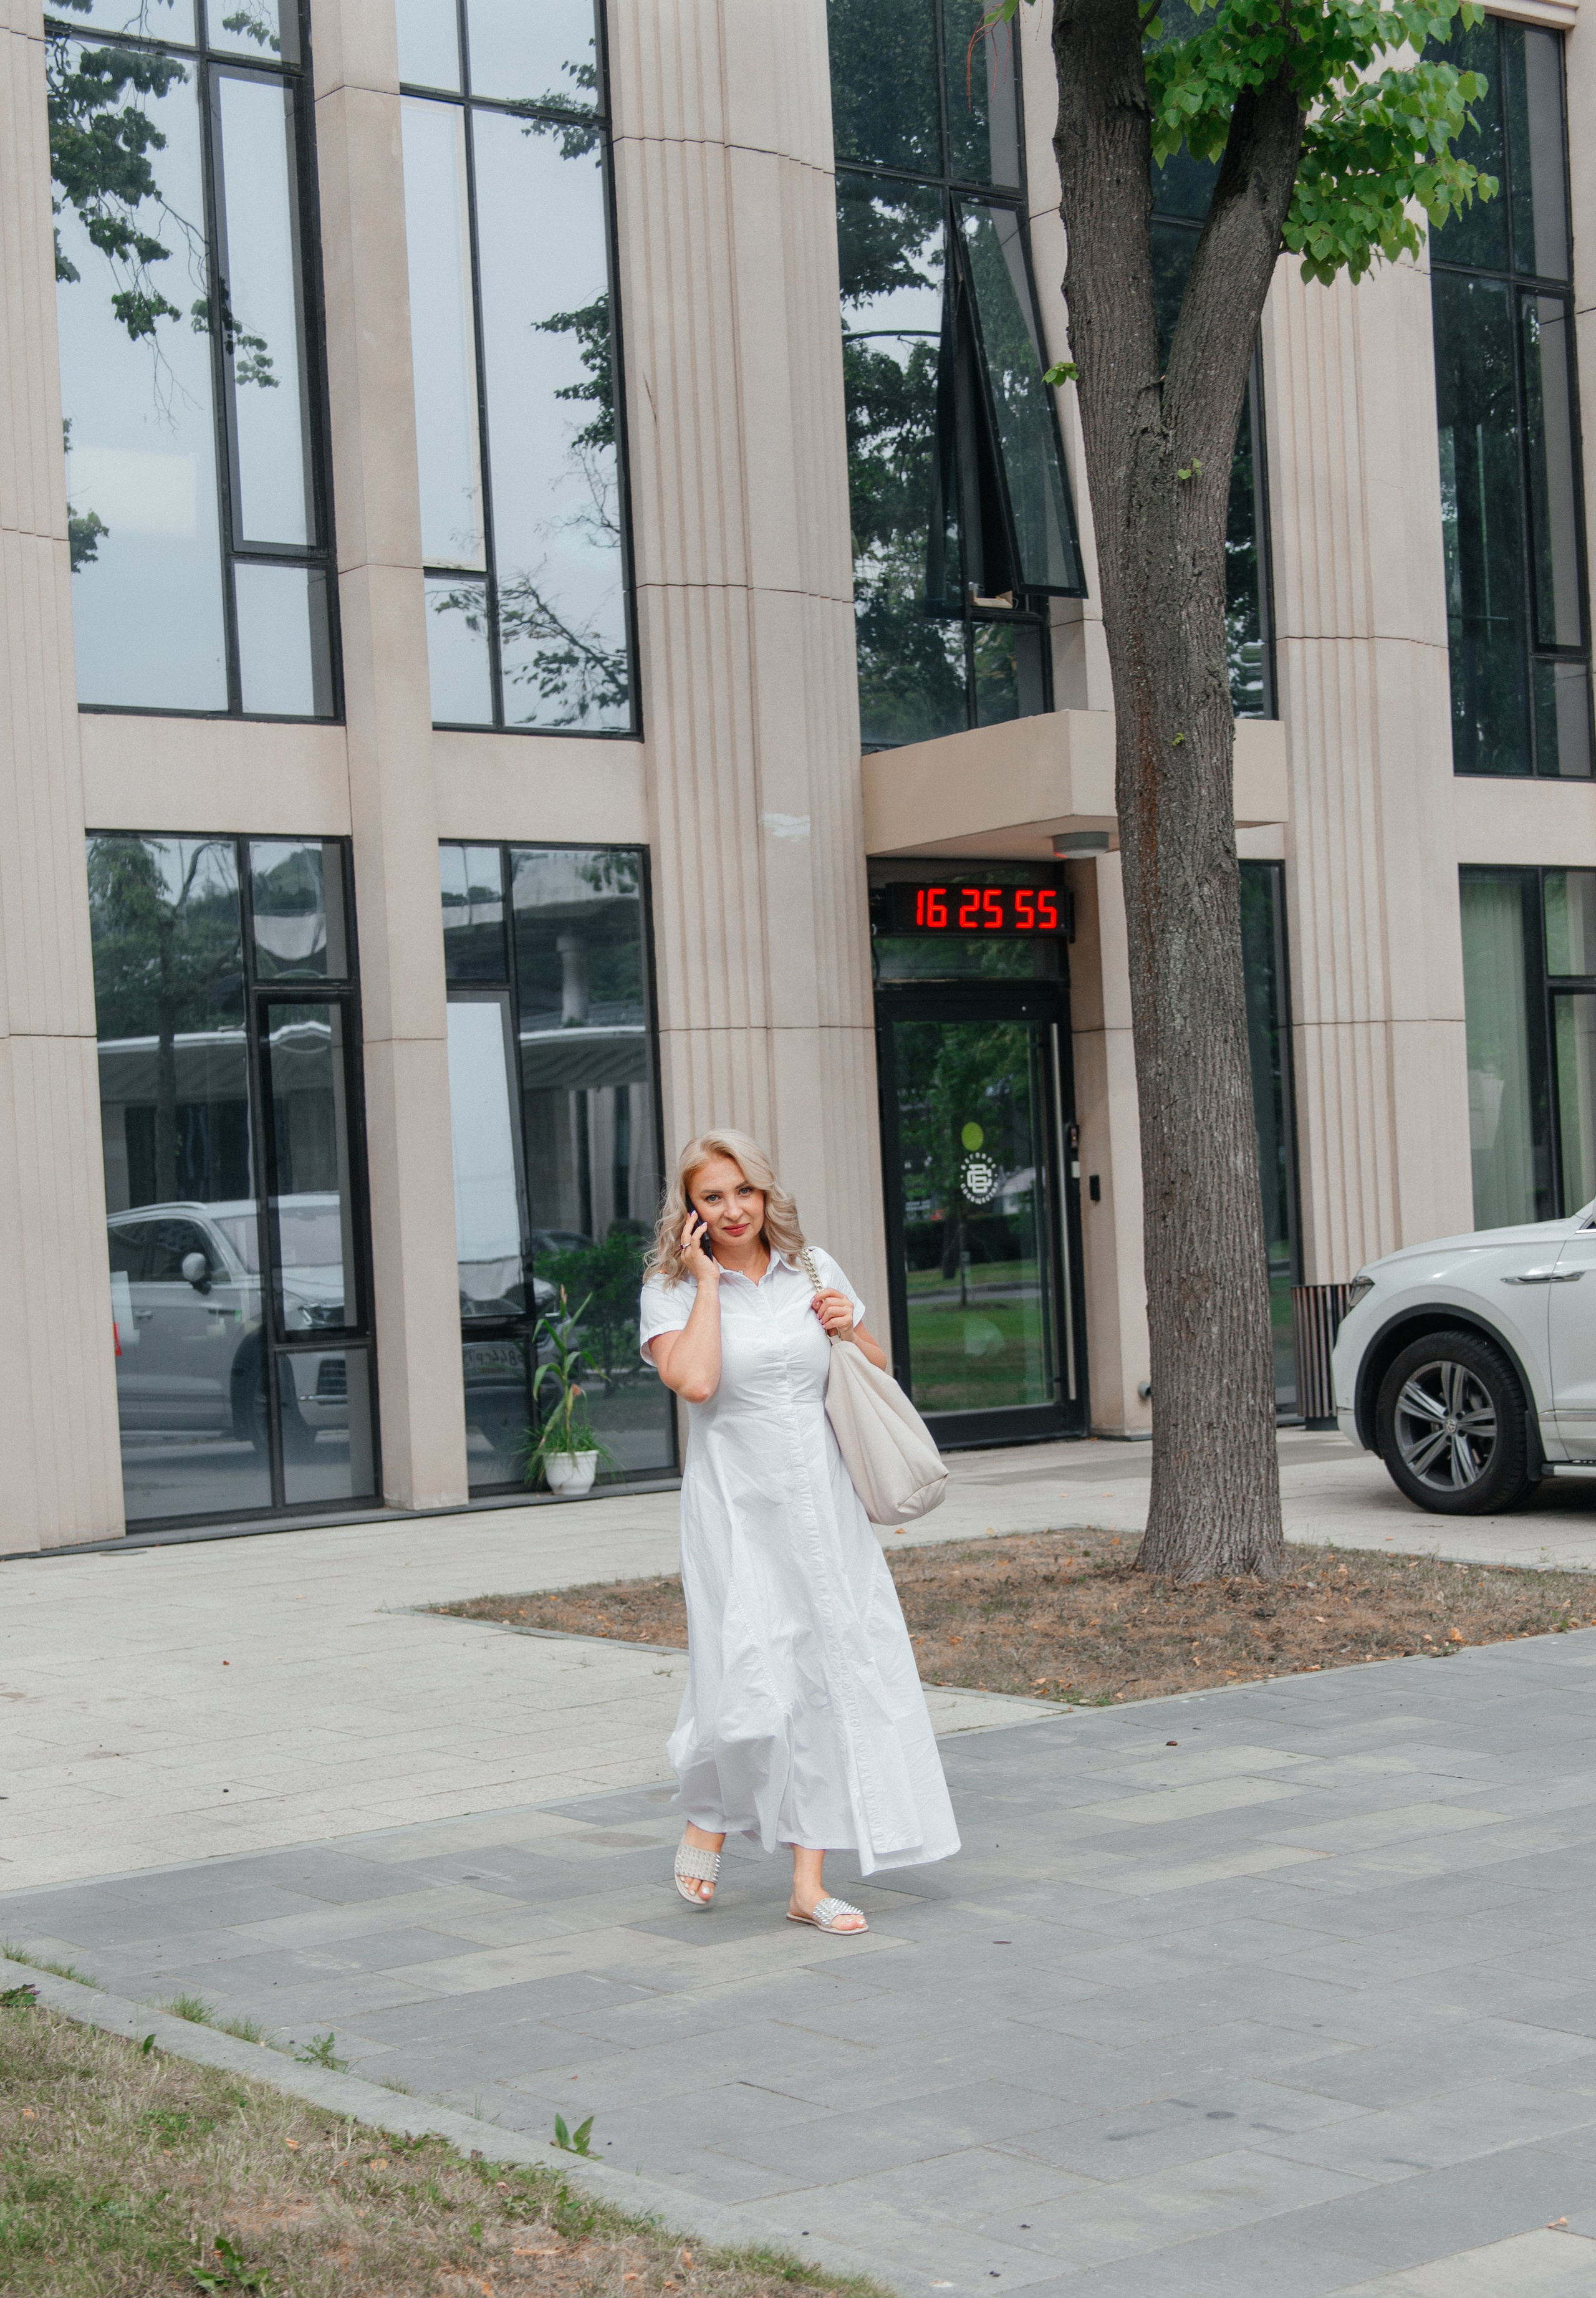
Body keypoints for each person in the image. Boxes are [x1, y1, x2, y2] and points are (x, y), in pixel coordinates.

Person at [640, 1128, 959, 1934]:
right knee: (746, 1677)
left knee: (826, 1677)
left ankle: (808, 1882)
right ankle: (707, 1813)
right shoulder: (669, 1288)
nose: (734, 1208)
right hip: (736, 1510)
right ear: (689, 1211)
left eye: (744, 1191)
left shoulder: (813, 1268)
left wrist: (849, 1325)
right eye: (713, 1196)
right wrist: (709, 1285)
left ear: (765, 1192)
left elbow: (871, 1372)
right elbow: (697, 1380)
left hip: (823, 1505)